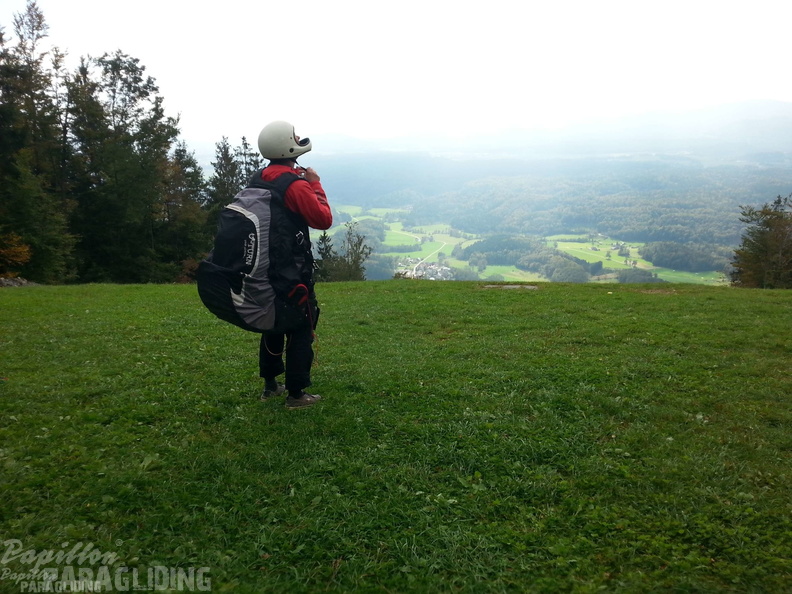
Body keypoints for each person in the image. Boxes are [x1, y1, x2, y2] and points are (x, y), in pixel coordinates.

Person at [255, 121, 332, 409]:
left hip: (262, 267)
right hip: (291, 270)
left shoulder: (261, 177)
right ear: (288, 146)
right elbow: (323, 219)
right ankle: (297, 394)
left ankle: (270, 385)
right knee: (301, 324)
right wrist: (314, 182)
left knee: (271, 322)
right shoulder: (296, 185)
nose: (299, 140)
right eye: (295, 138)